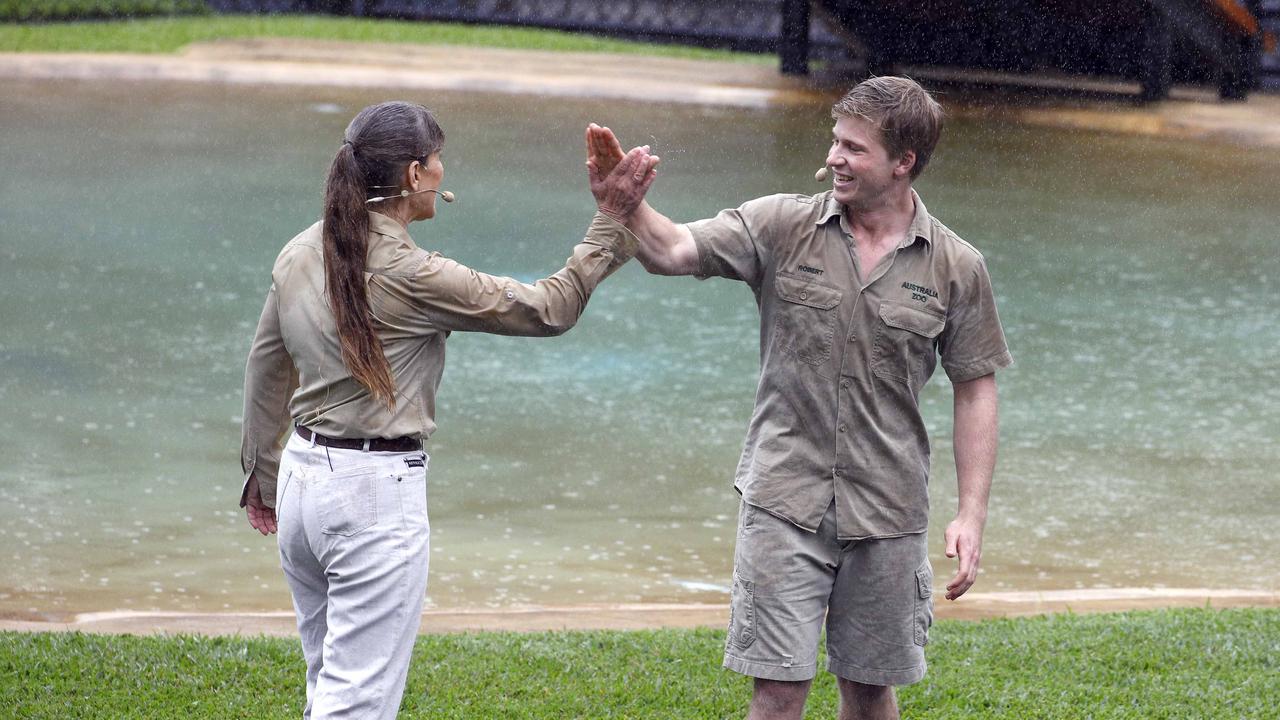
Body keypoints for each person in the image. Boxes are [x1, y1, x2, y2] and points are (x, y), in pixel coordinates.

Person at [586, 76, 1011, 720]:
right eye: (835, 141)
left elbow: (976, 388)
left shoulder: (956, 266)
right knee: (779, 692)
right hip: (784, 500)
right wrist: (622, 204)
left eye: (855, 148)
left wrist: (971, 514)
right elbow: (673, 250)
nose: (835, 158)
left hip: (890, 509)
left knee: (869, 692)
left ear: (905, 163)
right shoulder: (782, 224)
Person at [239, 100, 657, 720]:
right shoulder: (415, 273)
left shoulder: (299, 249)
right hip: (371, 496)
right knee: (357, 701)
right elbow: (548, 308)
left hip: (301, 479)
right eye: (437, 160)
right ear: (413, 175)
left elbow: (267, 367)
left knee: (329, 680)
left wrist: (261, 474)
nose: (442, 171)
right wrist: (611, 220)